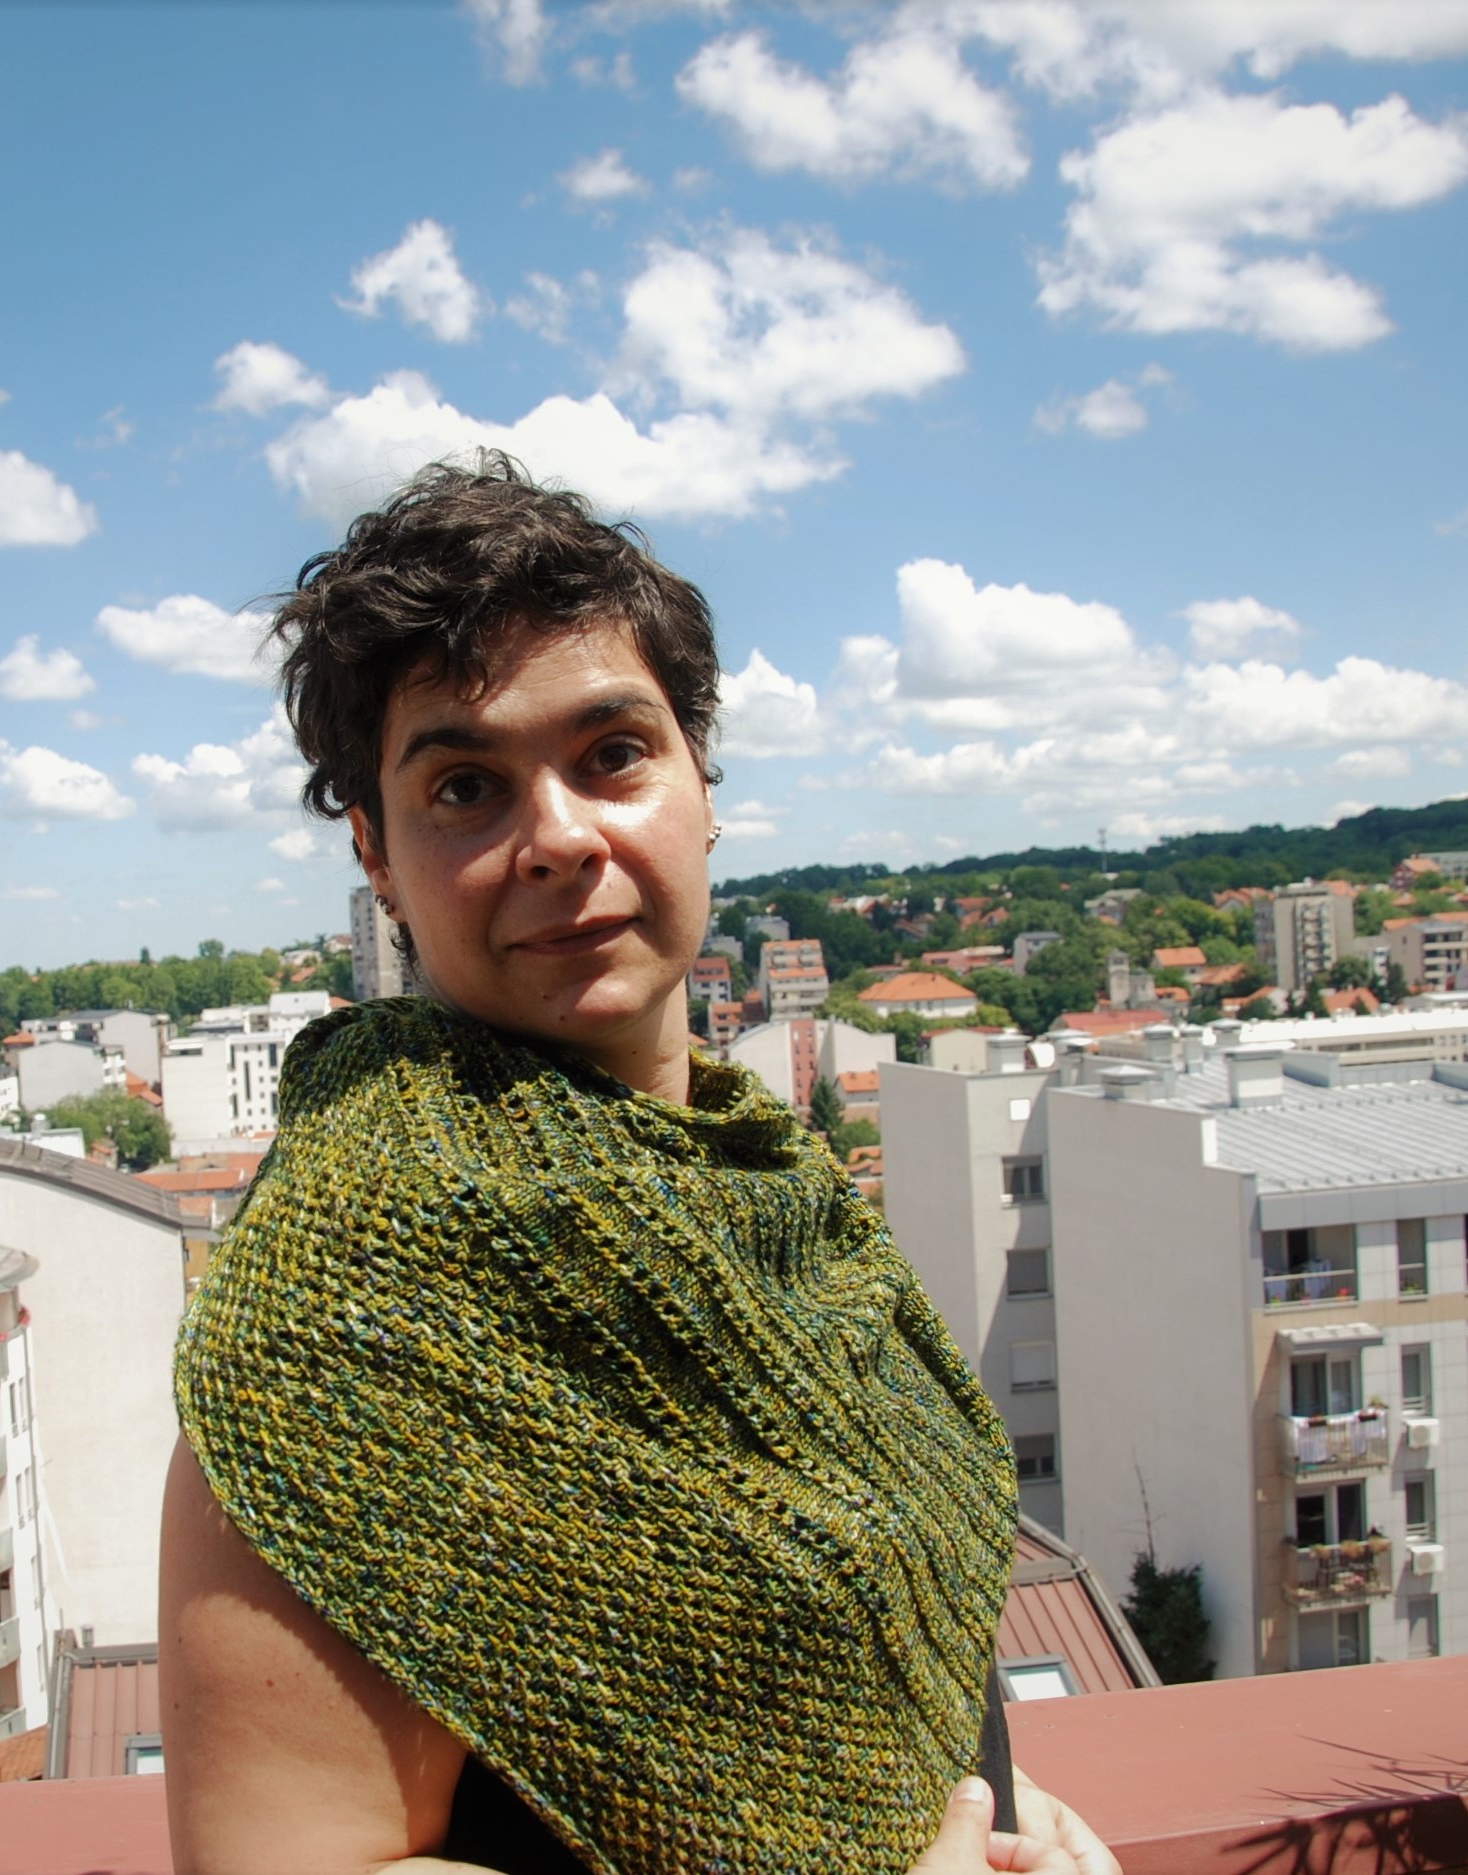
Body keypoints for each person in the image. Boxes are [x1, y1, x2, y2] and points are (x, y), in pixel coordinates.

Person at [160, 455, 1119, 1875]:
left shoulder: (765, 1188)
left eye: (612, 753)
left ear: (701, 782)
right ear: (377, 856)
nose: (558, 839)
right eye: (466, 786)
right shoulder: (338, 1317)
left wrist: (1015, 1820)